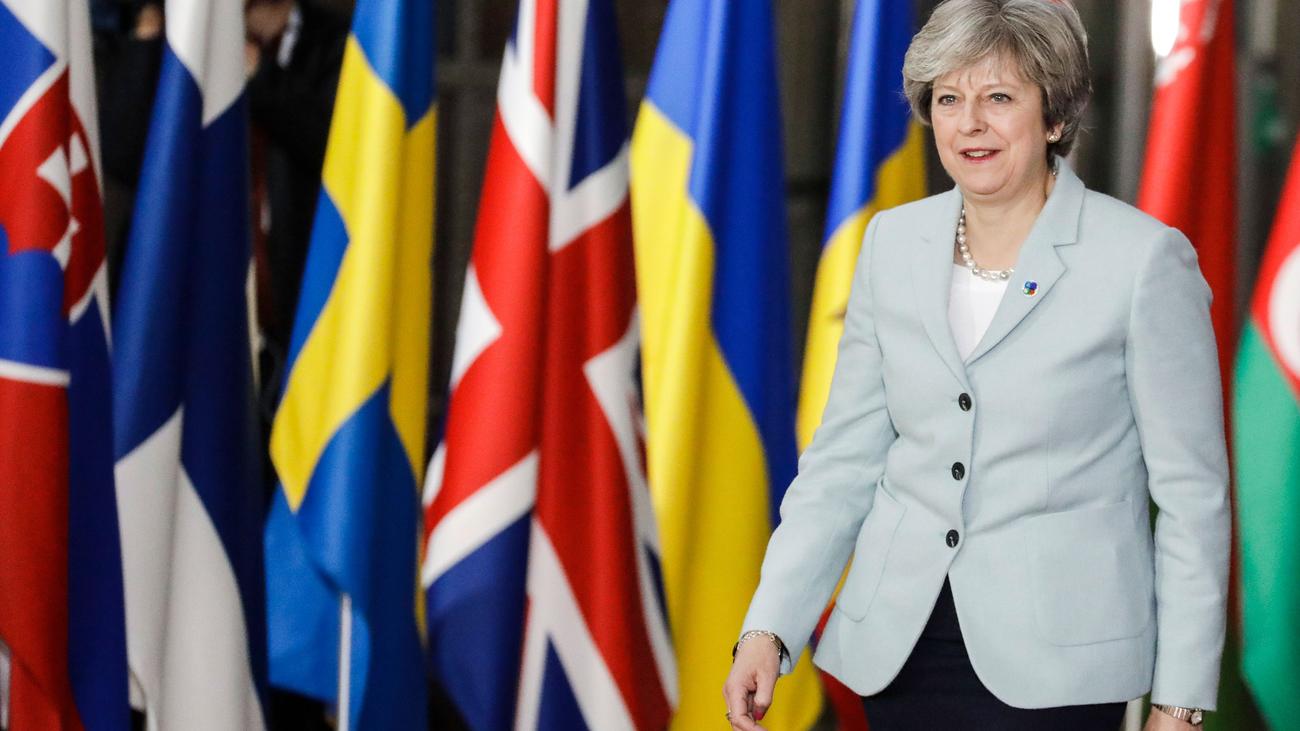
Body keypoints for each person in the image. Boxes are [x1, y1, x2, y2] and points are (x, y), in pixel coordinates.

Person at [723, 1, 1229, 729]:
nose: (969, 124)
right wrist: (768, 627)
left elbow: (1192, 500)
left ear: (1054, 116)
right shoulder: (892, 243)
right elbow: (842, 462)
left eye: (998, 97)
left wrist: (1179, 702)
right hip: (899, 647)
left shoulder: (1143, 261)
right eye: (949, 100)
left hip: (1060, 663)